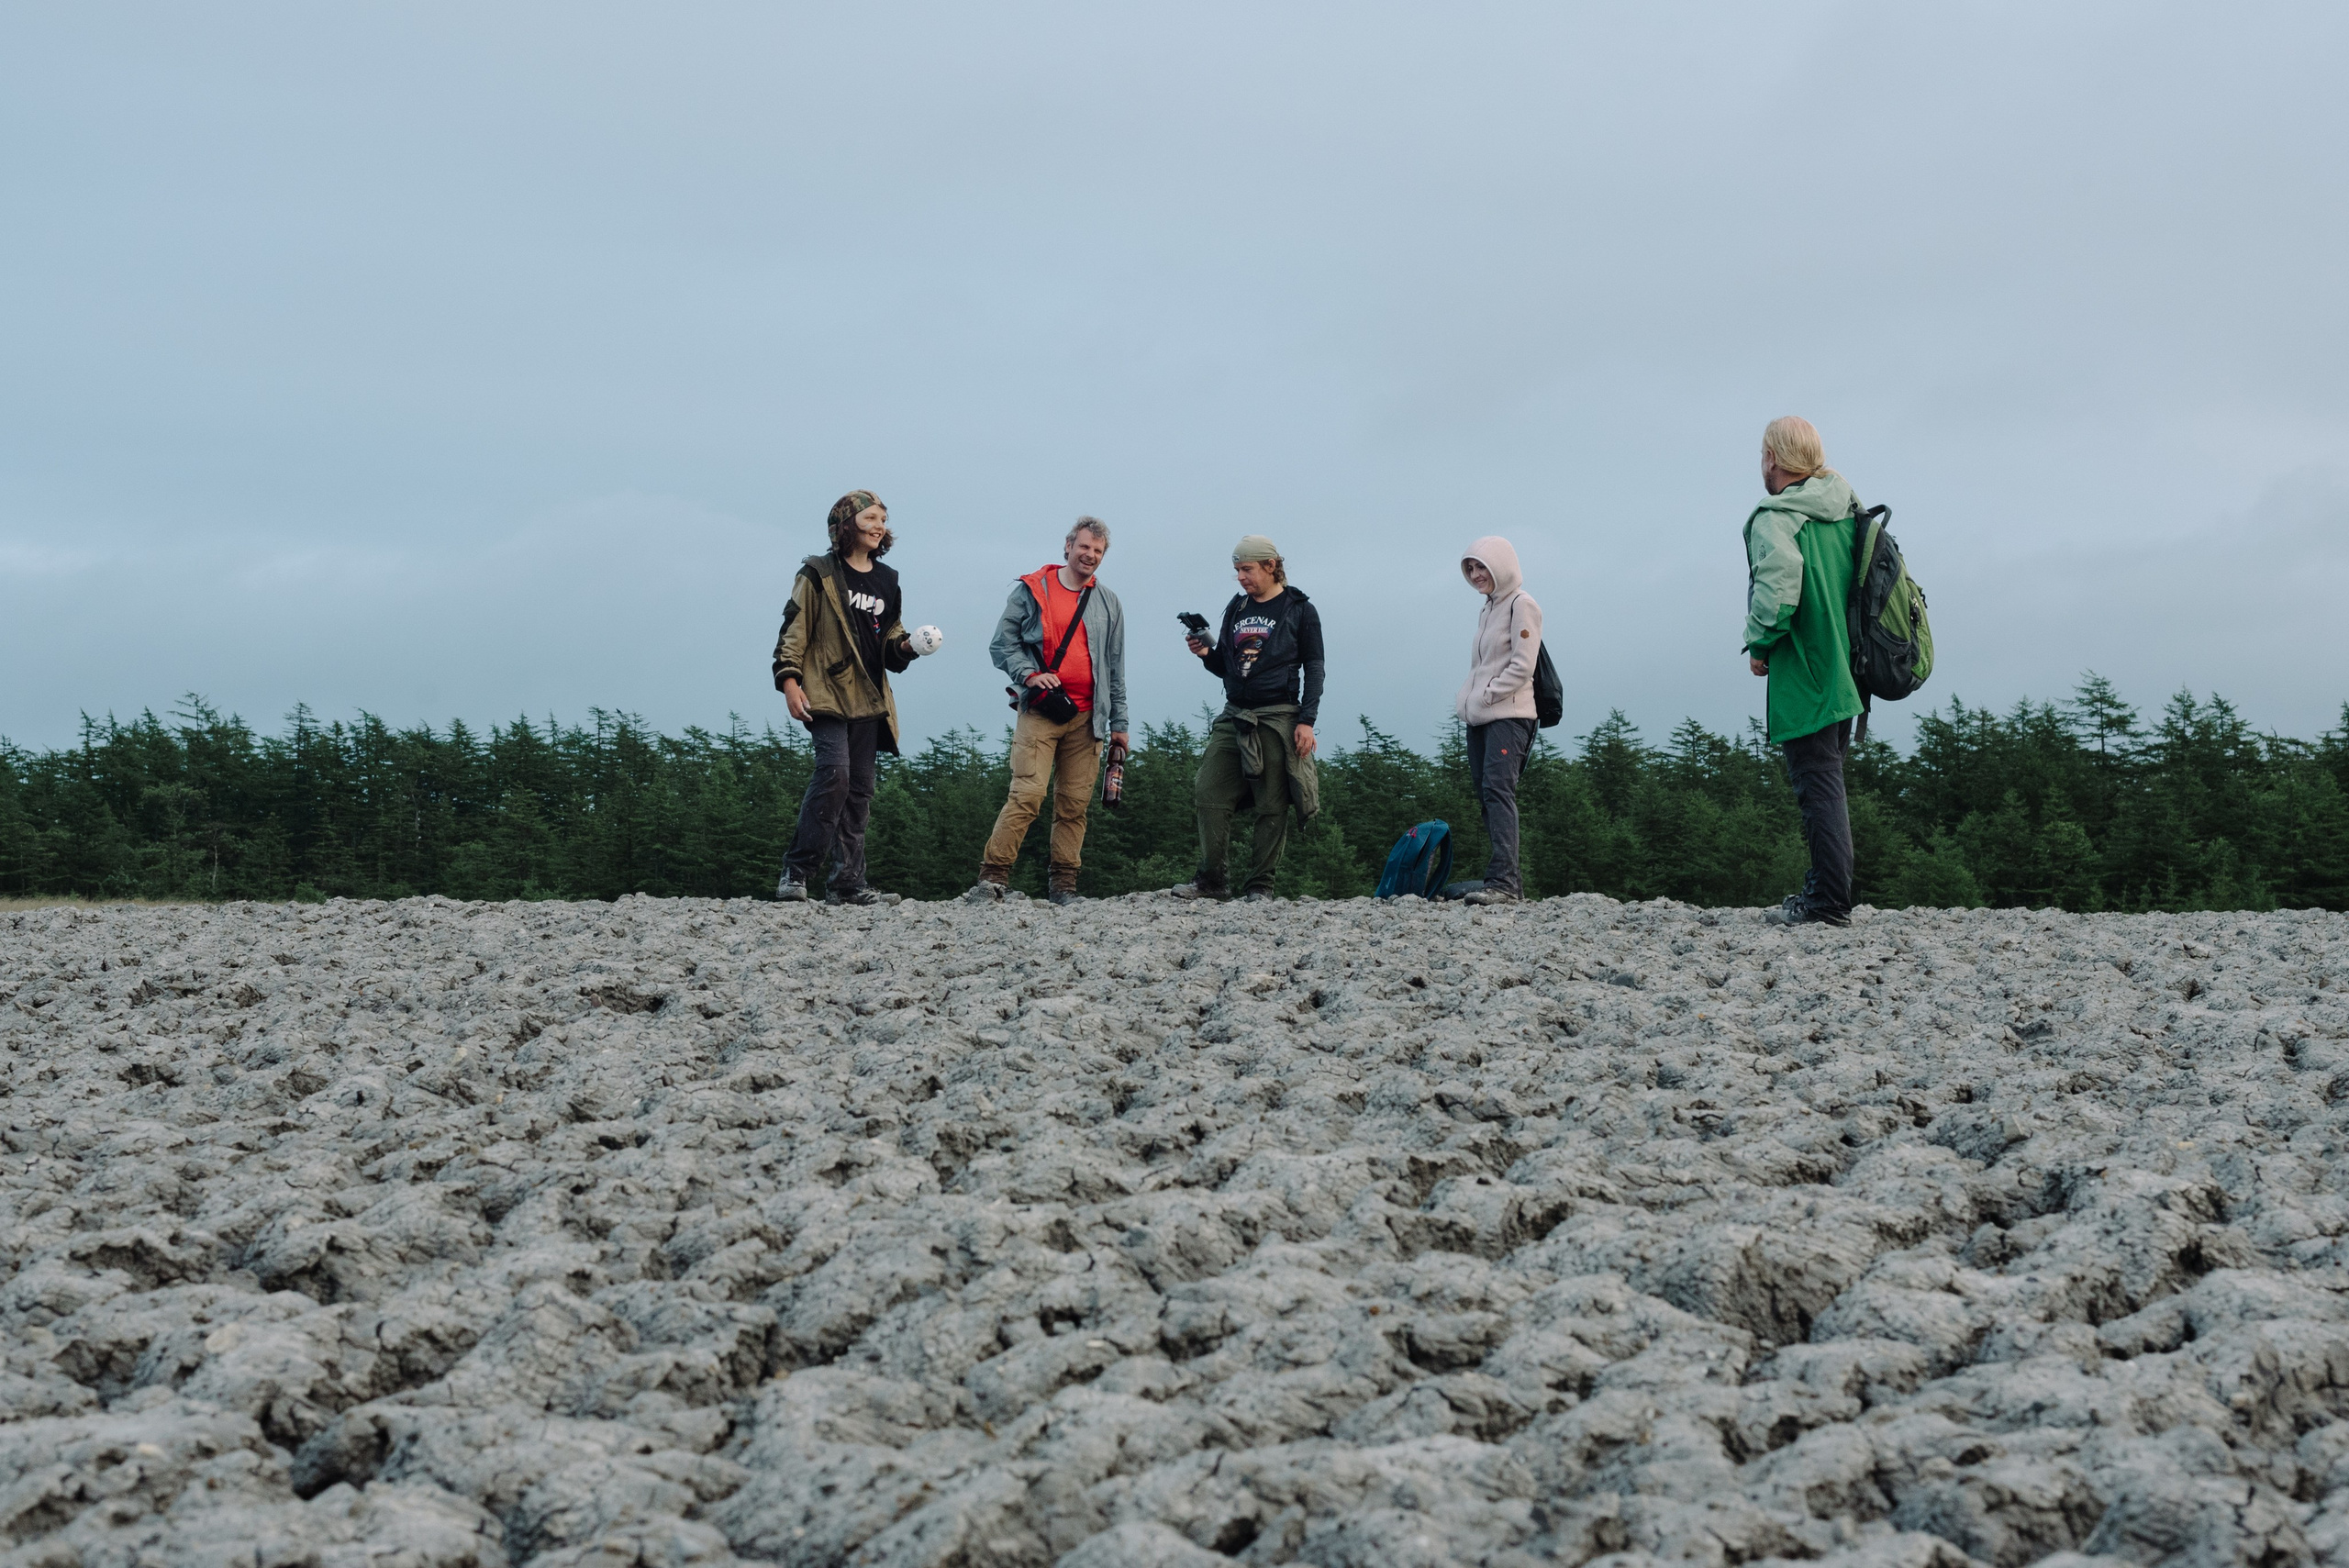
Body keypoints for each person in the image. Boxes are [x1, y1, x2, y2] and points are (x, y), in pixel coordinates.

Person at [771, 489, 928, 906]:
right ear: (845, 526)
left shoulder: (887, 579)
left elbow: (889, 638)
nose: (879, 526)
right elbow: (794, 629)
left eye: (883, 519)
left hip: (870, 698)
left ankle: (848, 885)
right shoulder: (818, 573)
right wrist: (789, 681)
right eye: (870, 518)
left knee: (859, 789)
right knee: (834, 774)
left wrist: (908, 646)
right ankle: (796, 871)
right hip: (824, 691)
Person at [968, 517, 1130, 906]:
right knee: (1027, 794)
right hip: (1040, 712)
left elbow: (1115, 665)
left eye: (1098, 551)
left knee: (1074, 805)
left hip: (1089, 717)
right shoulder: (1031, 590)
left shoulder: (1109, 601)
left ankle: (1064, 887)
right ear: (1068, 546)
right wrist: (1029, 675)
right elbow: (1001, 644)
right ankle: (992, 878)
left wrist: (1120, 725)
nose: (1089, 555)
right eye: (1084, 547)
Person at [1742, 416, 1864, 927]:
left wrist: (1759, 642)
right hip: (1848, 670)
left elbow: (1778, 590)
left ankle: (1828, 901)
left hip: (1807, 671)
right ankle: (1826, 890)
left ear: (1773, 457)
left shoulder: (1777, 516)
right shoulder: (1844, 508)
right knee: (1827, 781)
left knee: (1817, 787)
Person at [1170, 535, 1323, 902]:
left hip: (1278, 714)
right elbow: (1227, 665)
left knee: (1272, 803)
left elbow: (1315, 666)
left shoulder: (1300, 608)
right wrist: (1207, 654)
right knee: (1208, 790)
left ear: (1271, 566)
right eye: (1237, 570)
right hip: (1234, 714)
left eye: (1247, 569)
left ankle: (1260, 886)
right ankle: (1211, 880)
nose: (1240, 577)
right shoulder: (1236, 608)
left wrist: (1307, 719)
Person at [1456, 538, 1543, 906]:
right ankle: (1508, 882)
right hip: (1481, 716)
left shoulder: (1523, 605)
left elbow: (1524, 665)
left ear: (1501, 566)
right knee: (1486, 793)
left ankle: (1504, 883)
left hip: (1509, 714)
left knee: (1498, 790)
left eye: (1482, 567)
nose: (1476, 575)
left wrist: (1489, 693)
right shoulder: (1488, 608)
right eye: (1471, 568)